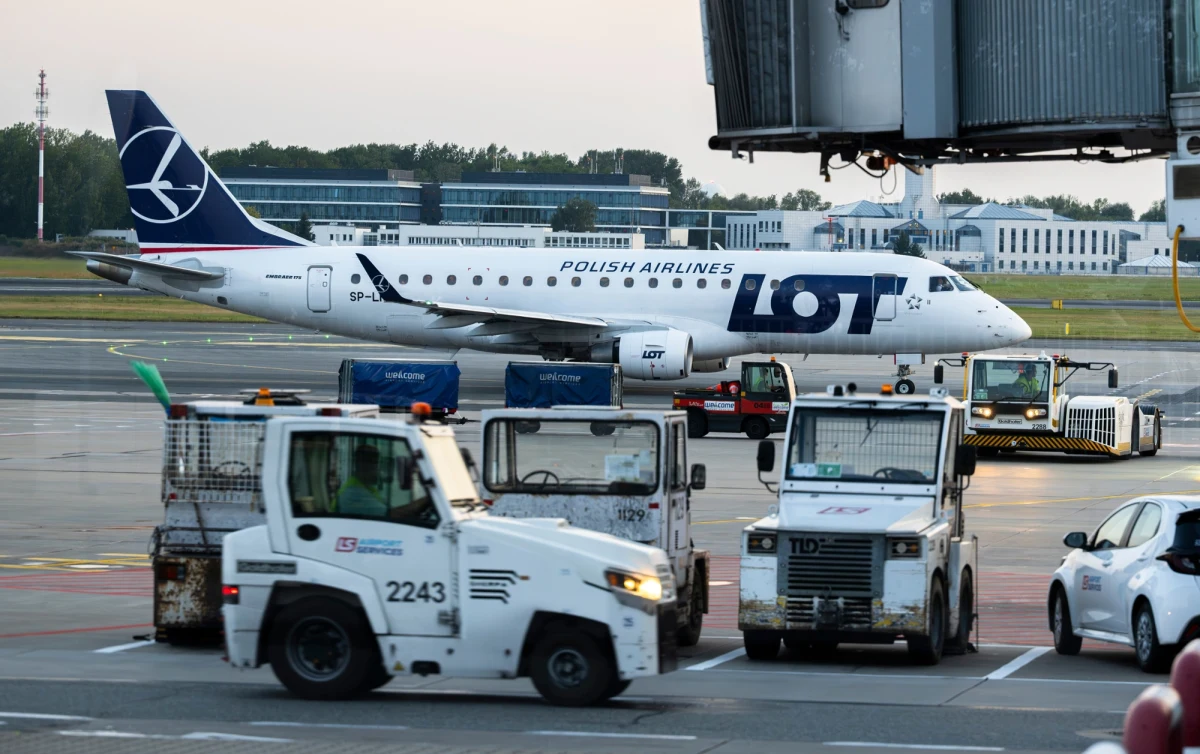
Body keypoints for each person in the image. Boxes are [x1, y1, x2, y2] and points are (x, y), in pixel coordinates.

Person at [335, 444, 388, 517]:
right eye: (376, 464)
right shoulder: (353, 492)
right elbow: (387, 514)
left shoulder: (368, 488)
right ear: (366, 466)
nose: (379, 470)